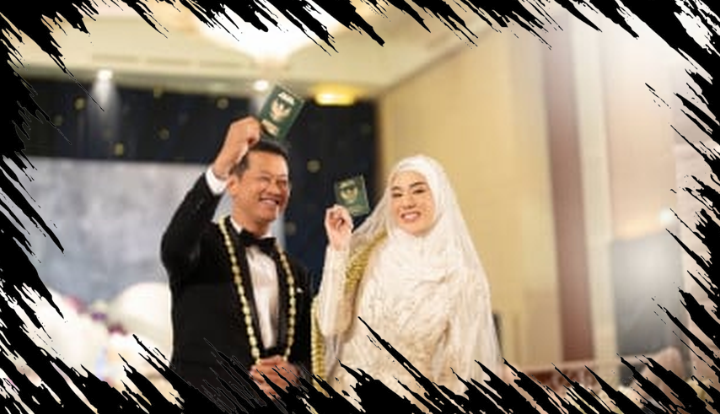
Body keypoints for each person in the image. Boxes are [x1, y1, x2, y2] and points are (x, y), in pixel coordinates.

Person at [313, 155, 501, 406]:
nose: (407, 202)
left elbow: (460, 373)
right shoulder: (369, 252)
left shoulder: (462, 279)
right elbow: (329, 325)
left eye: (419, 191)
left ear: (439, 195)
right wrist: (338, 250)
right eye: (397, 194)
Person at [161, 117, 312, 399]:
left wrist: (296, 374)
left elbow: (309, 354)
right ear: (233, 184)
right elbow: (174, 246)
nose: (275, 190)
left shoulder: (296, 272)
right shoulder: (201, 246)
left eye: (282, 182)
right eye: (264, 179)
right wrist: (222, 164)